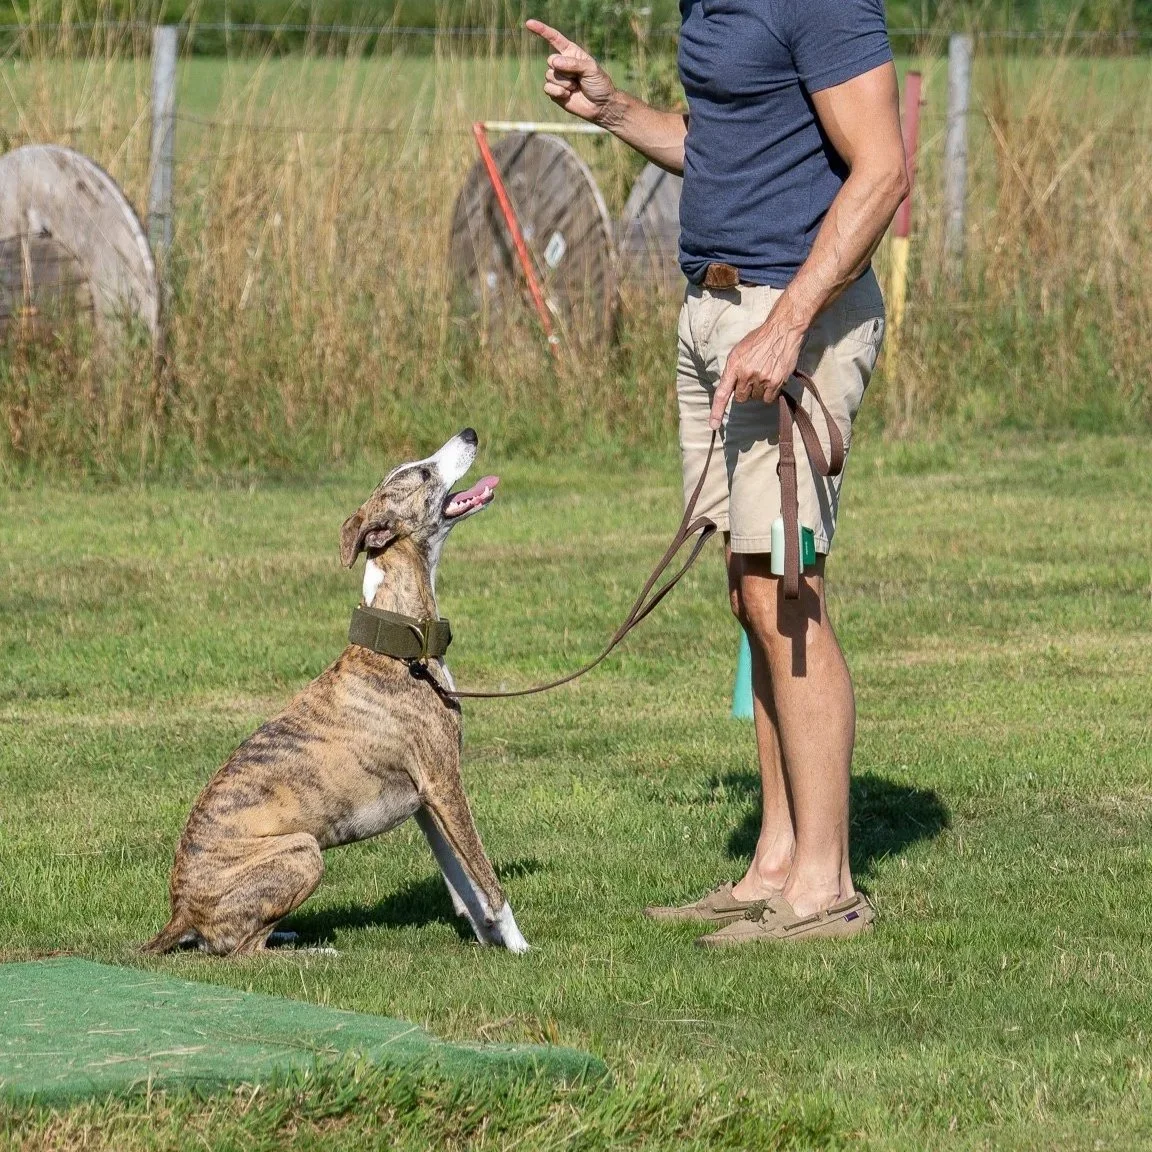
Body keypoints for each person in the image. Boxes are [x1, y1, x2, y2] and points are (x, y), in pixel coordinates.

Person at [527, 1, 908, 945]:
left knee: (787, 587)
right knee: (748, 591)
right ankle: (774, 863)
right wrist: (615, 109)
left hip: (790, 314)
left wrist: (788, 327)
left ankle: (826, 889)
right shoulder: (709, 8)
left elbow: (884, 168)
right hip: (716, 312)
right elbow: (720, 146)